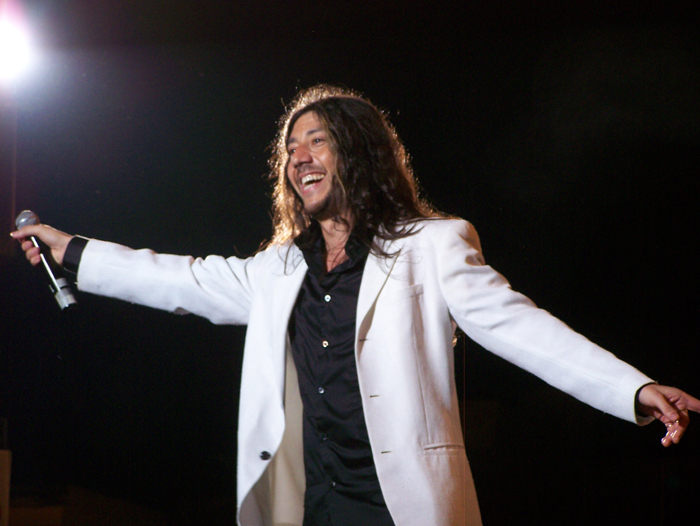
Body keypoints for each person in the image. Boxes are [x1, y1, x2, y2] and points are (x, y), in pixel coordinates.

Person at [12, 85, 700, 526]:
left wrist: (630, 388)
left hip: (400, 508)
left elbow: (519, 327)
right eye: (289, 147)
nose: (297, 156)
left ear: (360, 152)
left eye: (316, 139)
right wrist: (68, 248)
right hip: (309, 507)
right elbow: (179, 281)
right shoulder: (278, 269)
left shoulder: (431, 246)